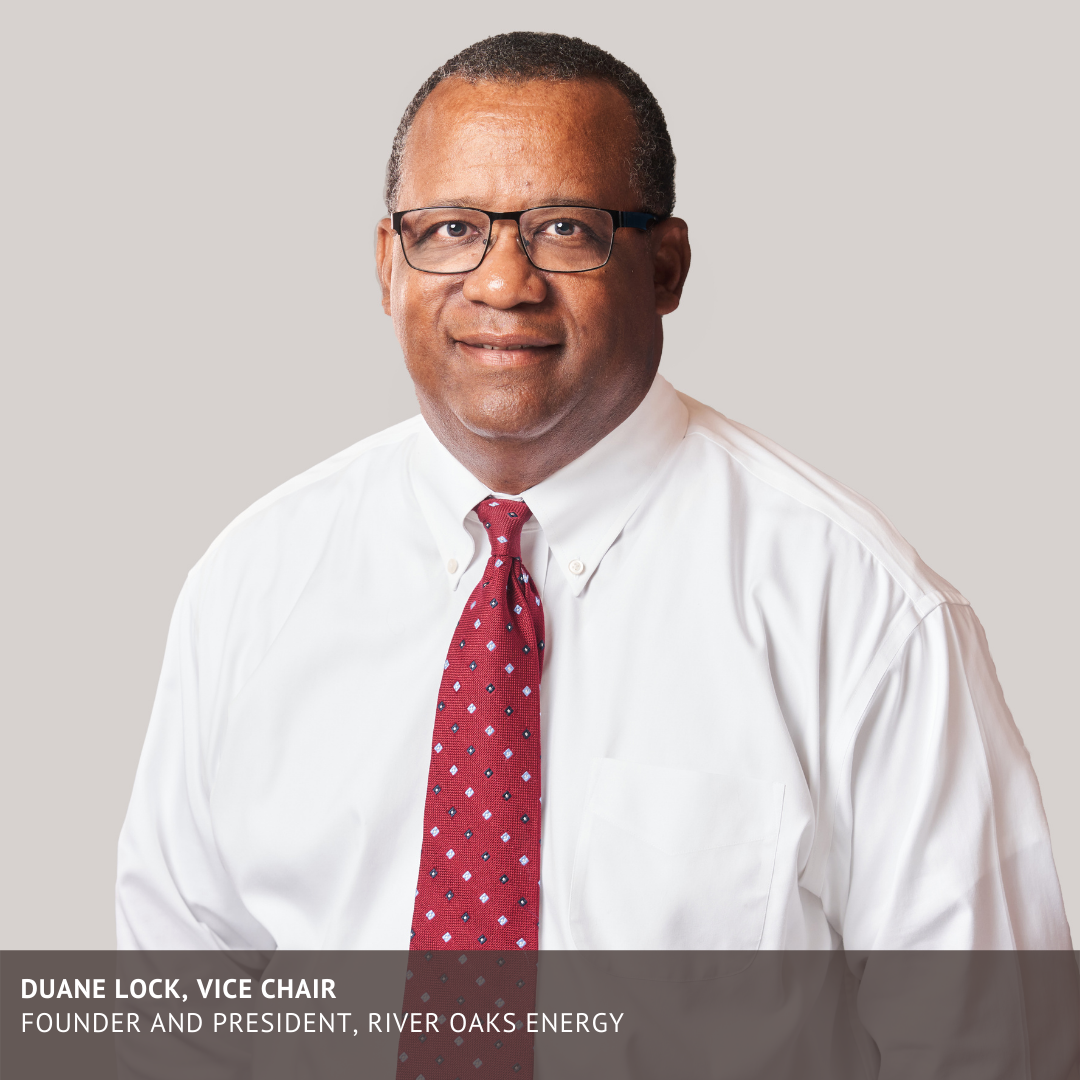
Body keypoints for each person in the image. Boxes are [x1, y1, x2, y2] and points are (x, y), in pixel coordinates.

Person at [117, 32, 1071, 958]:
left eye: (564, 229)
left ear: (666, 268)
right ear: (387, 265)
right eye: (451, 230)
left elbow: (984, 1037)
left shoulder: (861, 611)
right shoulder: (251, 584)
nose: (503, 283)